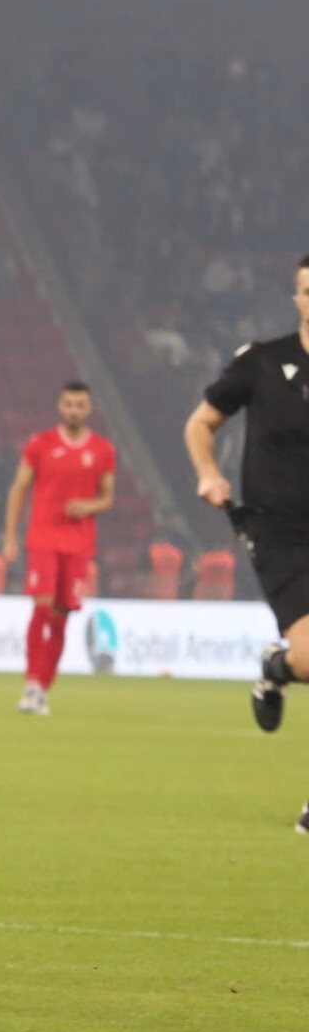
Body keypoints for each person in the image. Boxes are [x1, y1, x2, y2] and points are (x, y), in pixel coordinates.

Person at [187, 254, 309, 826]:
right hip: (279, 531)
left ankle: (278, 667)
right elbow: (200, 423)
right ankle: (284, 664)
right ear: (297, 298)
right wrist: (208, 474)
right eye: (308, 290)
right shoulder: (261, 362)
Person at [3, 381, 116, 715]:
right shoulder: (40, 444)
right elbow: (18, 488)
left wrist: (89, 506)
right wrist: (10, 536)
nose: (74, 411)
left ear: (89, 408)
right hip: (43, 538)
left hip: (78, 545)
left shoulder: (103, 450)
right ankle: (31, 683)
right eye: (68, 404)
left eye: (80, 405)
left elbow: (107, 498)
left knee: (61, 618)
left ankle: (43, 688)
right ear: (59, 406)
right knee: (42, 609)